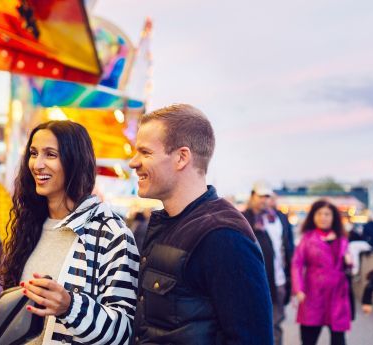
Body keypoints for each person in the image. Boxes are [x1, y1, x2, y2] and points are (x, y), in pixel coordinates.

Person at [129, 104, 273, 344]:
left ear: (181, 157)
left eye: (145, 152)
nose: (134, 162)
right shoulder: (168, 224)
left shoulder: (223, 236)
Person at [0, 120, 139, 344]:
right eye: (33, 153)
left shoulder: (111, 234)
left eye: (50, 154)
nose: (37, 164)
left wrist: (70, 306)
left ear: (75, 161)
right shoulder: (30, 226)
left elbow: (123, 331)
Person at [292, 199, 352, 345]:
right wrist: (298, 289)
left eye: (327, 214)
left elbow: (348, 267)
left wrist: (349, 262)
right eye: (319, 213)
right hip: (313, 292)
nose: (323, 217)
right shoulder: (307, 239)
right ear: (313, 216)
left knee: (338, 338)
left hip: (337, 293)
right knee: (309, 337)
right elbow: (297, 264)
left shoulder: (342, 239)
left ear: (333, 218)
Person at [242, 182, 294, 345]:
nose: (264, 200)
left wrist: (291, 277)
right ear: (252, 197)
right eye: (260, 196)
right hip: (254, 280)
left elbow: (288, 247)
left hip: (278, 279)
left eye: (267, 196)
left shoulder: (279, 218)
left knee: (275, 323)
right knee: (252, 324)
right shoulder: (243, 218)